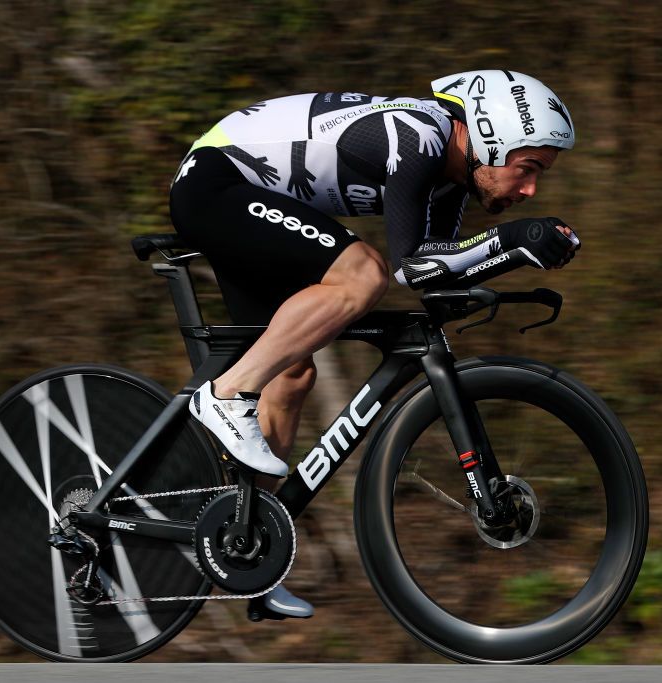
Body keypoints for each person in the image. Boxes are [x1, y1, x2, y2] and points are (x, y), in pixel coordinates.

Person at [169, 70, 580, 618]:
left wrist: (509, 262)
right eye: (526, 169)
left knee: (291, 374)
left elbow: (433, 272)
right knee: (364, 272)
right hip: (217, 183)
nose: (529, 189)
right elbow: (411, 265)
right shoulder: (418, 135)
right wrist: (512, 238)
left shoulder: (448, 179)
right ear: (487, 134)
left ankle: (247, 552)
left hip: (242, 195)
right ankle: (228, 394)